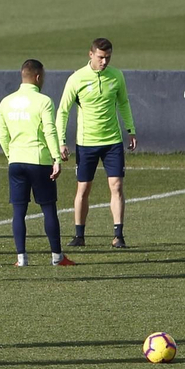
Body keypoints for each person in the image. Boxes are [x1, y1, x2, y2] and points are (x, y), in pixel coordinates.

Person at [56, 37, 138, 249]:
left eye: (108, 57)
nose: (104, 62)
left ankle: (118, 235)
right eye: (101, 57)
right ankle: (79, 235)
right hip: (86, 143)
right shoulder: (76, 79)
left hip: (112, 141)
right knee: (83, 188)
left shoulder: (116, 76)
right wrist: (61, 141)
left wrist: (131, 130)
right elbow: (63, 111)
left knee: (117, 186)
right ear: (90, 54)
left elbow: (124, 103)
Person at [0, 61, 74, 268]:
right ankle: (57, 256)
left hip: (16, 162)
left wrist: (10, 154)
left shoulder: (6, 102)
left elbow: (1, 134)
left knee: (18, 212)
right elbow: (50, 130)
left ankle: (21, 258)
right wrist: (56, 158)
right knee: (48, 209)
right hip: (39, 161)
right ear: (38, 77)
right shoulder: (44, 101)